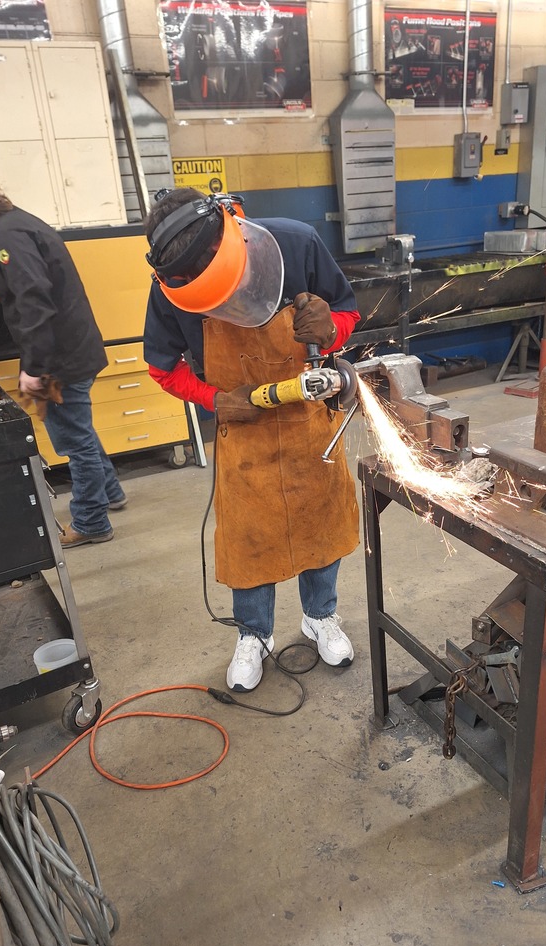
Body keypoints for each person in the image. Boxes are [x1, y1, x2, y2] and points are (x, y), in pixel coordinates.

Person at [142, 188, 361, 692]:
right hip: (242, 429)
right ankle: (254, 635)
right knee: (248, 539)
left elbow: (348, 312)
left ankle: (320, 617)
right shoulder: (171, 288)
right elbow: (162, 368)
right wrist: (216, 400)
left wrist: (330, 330)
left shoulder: (295, 244)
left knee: (319, 524)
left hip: (308, 421)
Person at [0, 176, 127, 548]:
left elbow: (35, 303)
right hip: (69, 349)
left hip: (59, 358)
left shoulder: (9, 238)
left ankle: (92, 522)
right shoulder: (14, 224)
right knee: (78, 431)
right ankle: (110, 493)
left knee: (74, 442)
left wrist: (35, 368)